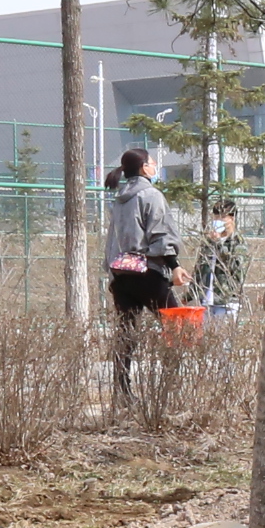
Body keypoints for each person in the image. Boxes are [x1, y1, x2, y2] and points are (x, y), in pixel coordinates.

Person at [102, 150, 182, 409]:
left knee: (126, 334)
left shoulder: (120, 199)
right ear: (144, 168)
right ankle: (170, 392)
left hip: (121, 273)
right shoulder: (151, 195)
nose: (156, 166)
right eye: (152, 162)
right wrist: (175, 266)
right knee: (177, 327)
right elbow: (160, 234)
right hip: (147, 269)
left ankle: (122, 393)